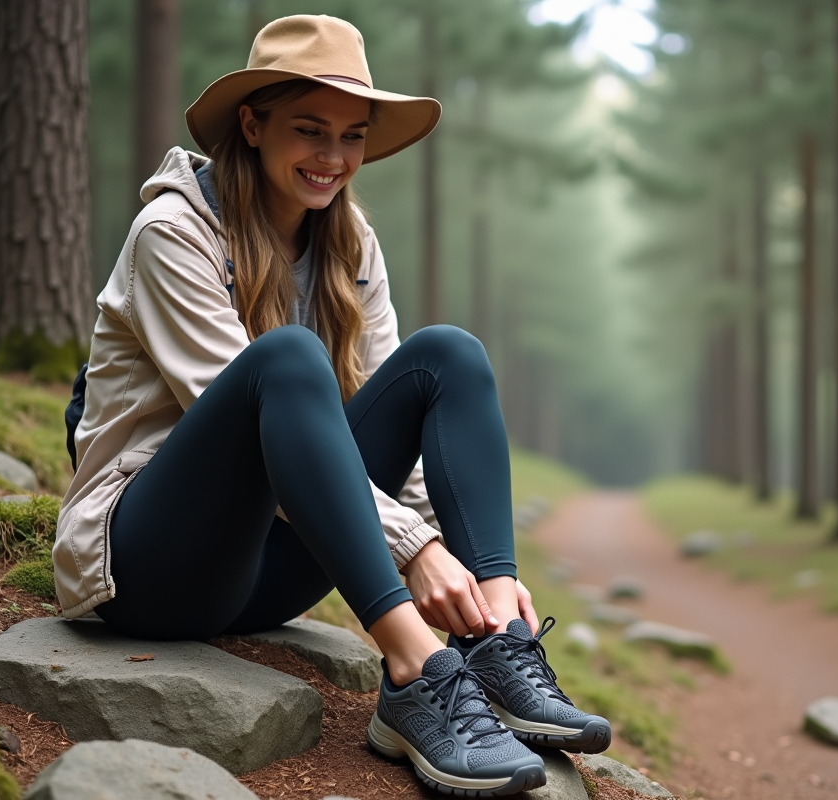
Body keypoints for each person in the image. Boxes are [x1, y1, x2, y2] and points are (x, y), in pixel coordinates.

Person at [54, 14, 610, 797]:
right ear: (252, 124)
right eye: (310, 130)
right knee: (285, 359)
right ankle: (417, 667)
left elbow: (406, 434)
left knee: (449, 354)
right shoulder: (172, 231)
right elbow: (238, 405)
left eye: (352, 136)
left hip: (270, 576)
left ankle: (494, 640)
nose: (333, 157)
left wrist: (460, 562)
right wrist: (414, 549)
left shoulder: (351, 249)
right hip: (151, 566)